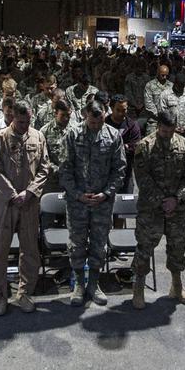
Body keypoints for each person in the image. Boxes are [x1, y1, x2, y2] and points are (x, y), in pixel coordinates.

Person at [59, 101, 126, 307]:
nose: (96, 126)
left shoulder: (113, 136)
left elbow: (120, 170)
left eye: (99, 122)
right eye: (92, 122)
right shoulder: (73, 134)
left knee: (99, 244)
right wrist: (78, 194)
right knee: (77, 243)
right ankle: (79, 284)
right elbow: (64, 168)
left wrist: (105, 194)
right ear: (84, 116)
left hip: (102, 203)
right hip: (77, 201)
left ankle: (94, 284)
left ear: (104, 116)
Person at [0, 102, 50, 316]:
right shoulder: (0, 138)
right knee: (0, 251)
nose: (25, 125)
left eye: (28, 121)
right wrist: (13, 194)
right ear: (12, 117)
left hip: (29, 202)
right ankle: (0, 295)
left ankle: (24, 293)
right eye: (21, 122)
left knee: (30, 250)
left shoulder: (38, 137)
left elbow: (44, 167)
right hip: (5, 202)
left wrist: (30, 192)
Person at [131, 110, 185, 309]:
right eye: (164, 130)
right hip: (151, 209)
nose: (168, 134)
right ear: (158, 126)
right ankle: (139, 287)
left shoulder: (184, 145)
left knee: (177, 248)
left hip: (177, 209)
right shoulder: (145, 146)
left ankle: (176, 286)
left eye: (171, 130)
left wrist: (176, 199)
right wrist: (162, 201)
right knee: (145, 248)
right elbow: (143, 178)